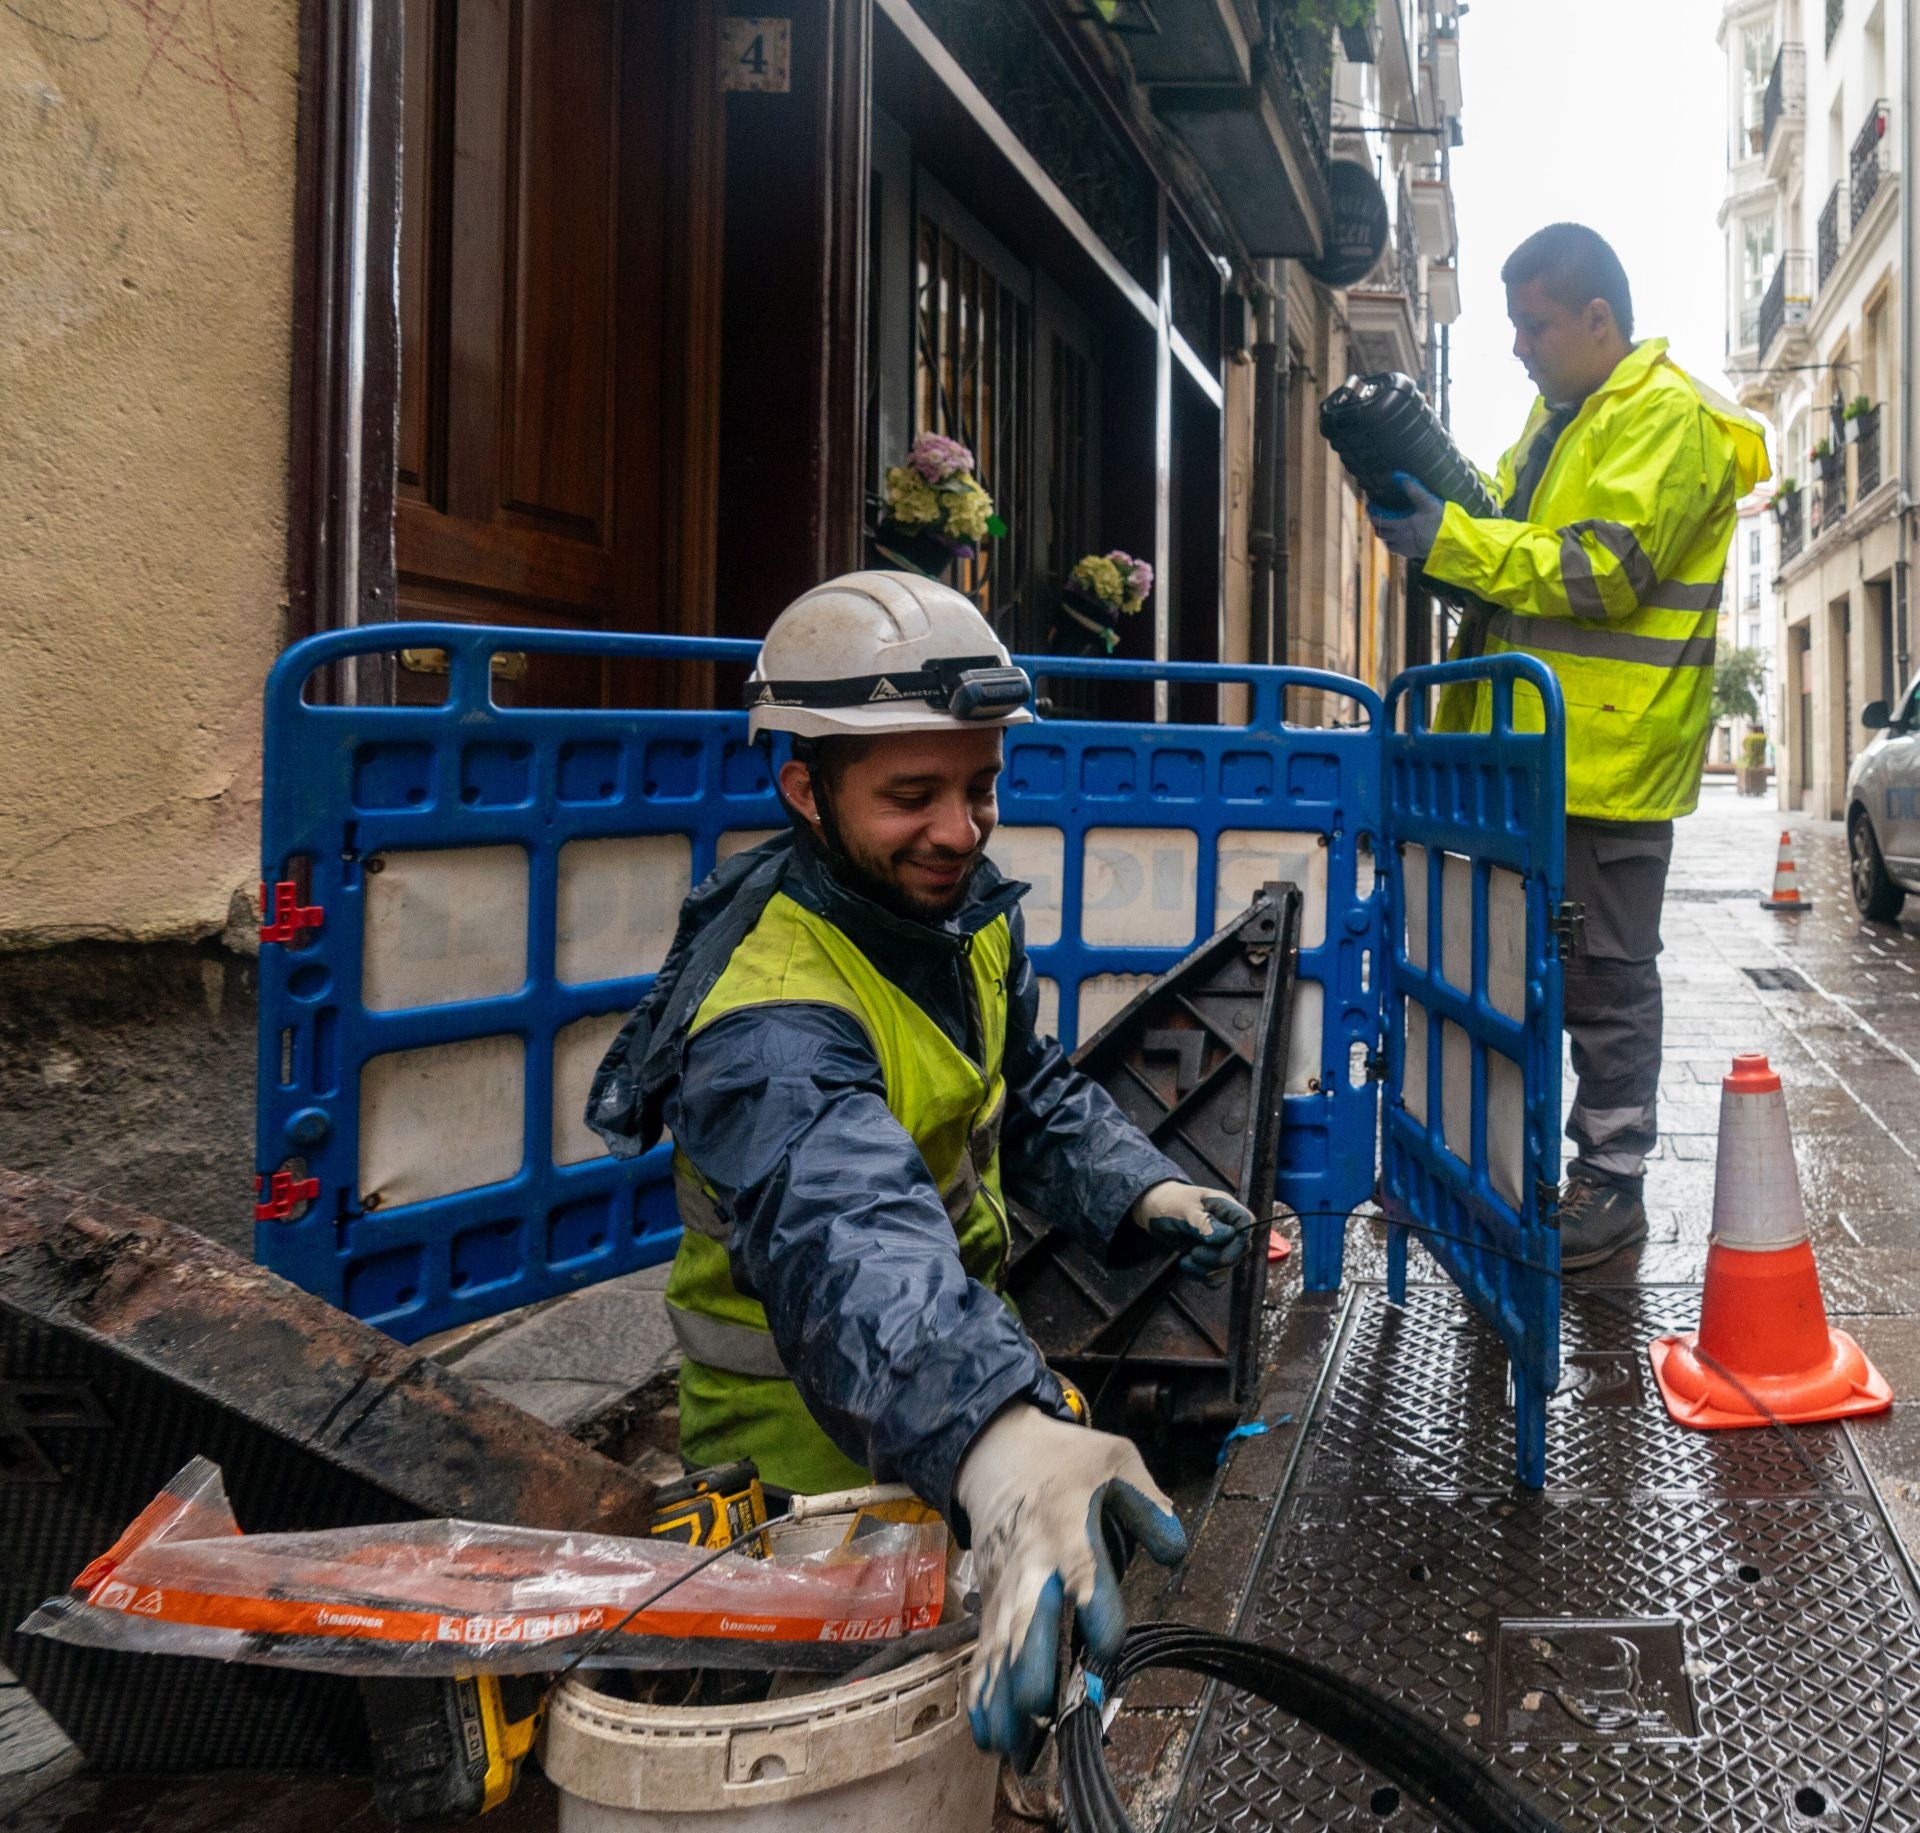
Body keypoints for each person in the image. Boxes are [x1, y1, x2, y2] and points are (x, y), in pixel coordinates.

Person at [587, 570, 1257, 1753]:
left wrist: (1138, 1186)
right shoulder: (767, 1017)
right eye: (911, 796)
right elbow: (844, 1235)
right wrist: (997, 1434)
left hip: (941, 1395)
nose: (960, 831)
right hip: (804, 1472)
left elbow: (1022, 1087)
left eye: (980, 786)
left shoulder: (955, 917)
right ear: (805, 789)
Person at [1367, 222, 1769, 1271]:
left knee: (1602, 983)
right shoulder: (1561, 423)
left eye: (1533, 325)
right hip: (1529, 758)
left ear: (1599, 319)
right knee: (1506, 971)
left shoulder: (1668, 416)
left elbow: (1603, 570)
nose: (1518, 347)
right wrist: (1437, 525)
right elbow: (1511, 545)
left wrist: (1456, 540)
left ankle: (1611, 1182)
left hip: (1605, 768)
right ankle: (1503, 1166)